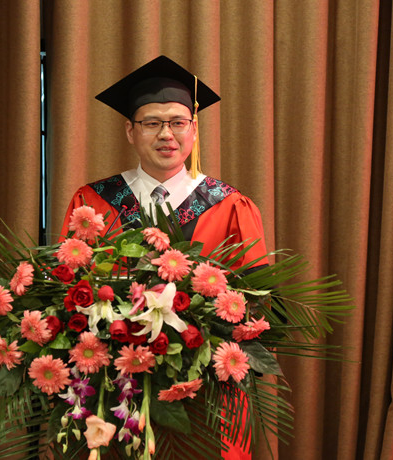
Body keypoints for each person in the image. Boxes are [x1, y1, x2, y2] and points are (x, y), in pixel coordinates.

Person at [60, 55, 266, 459]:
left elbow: (257, 304)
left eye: (177, 122)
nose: (166, 134)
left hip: (206, 392)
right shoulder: (94, 202)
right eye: (152, 123)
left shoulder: (229, 205)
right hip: (114, 388)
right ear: (130, 131)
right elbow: (68, 289)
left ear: (194, 129)